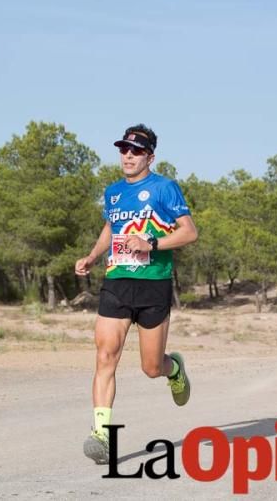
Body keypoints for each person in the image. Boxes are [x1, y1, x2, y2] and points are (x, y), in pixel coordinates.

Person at [75, 124, 199, 464]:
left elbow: (189, 232)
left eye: (137, 150)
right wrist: (92, 256)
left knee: (150, 367)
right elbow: (110, 228)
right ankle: (101, 434)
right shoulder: (113, 192)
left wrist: (152, 243)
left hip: (153, 283)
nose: (128, 155)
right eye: (124, 149)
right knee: (105, 355)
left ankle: (173, 369)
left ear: (150, 156)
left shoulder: (164, 188)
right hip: (117, 281)